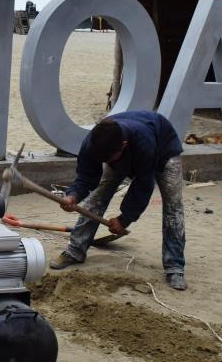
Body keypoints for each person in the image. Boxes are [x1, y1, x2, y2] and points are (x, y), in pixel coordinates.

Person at [50, 111, 187, 291]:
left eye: (108, 159)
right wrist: (73, 195)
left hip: (163, 150)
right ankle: (75, 250)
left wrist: (124, 219)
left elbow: (143, 185)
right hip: (126, 151)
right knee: (99, 195)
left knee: (173, 207)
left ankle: (175, 267)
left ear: (123, 145)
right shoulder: (93, 143)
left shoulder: (143, 142)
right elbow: (86, 176)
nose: (105, 162)